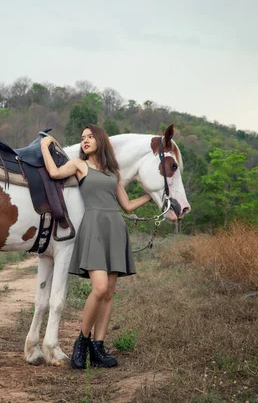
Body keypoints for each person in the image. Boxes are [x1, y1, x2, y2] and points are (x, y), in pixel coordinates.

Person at [40, 124, 151, 369]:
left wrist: (150, 195)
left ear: (101, 140)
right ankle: (82, 341)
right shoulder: (80, 165)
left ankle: (98, 348)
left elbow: (127, 205)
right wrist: (44, 147)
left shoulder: (114, 172)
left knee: (110, 292)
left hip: (115, 228)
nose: (85, 141)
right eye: (82, 138)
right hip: (94, 228)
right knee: (99, 288)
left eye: (90, 137)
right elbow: (54, 173)